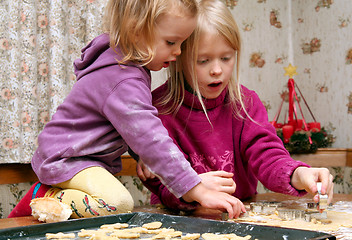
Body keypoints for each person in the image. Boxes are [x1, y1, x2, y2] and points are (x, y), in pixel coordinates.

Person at [9, 0, 241, 220]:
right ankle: (41, 197)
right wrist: (196, 189)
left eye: (182, 43)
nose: (178, 51)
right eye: (171, 42)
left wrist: (141, 156)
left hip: (77, 157)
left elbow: (126, 125)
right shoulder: (122, 78)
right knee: (117, 203)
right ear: (136, 30)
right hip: (67, 159)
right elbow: (150, 137)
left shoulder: (126, 68)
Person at [138, 0, 334, 216]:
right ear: (177, 58)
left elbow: (268, 155)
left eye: (226, 58)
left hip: (238, 216)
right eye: (202, 60)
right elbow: (158, 181)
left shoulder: (246, 103)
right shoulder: (157, 110)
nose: (217, 70)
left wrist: (297, 174)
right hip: (181, 218)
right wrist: (191, 189)